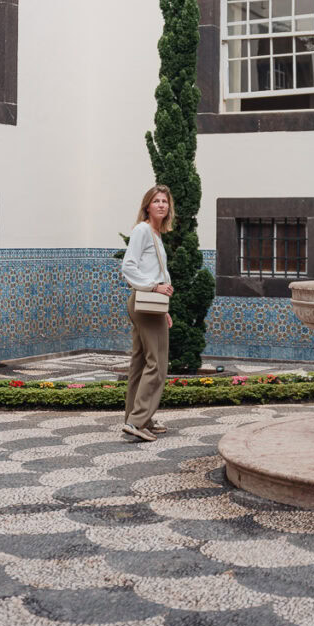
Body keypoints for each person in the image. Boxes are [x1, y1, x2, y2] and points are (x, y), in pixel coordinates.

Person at [120, 185, 175, 442]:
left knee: (141, 363)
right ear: (147, 206)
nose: (161, 205)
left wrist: (163, 310)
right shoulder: (143, 230)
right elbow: (128, 267)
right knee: (157, 363)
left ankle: (140, 416)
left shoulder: (155, 233)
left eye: (165, 201)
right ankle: (137, 420)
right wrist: (154, 287)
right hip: (145, 300)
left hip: (149, 305)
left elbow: (155, 271)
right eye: (156, 201)